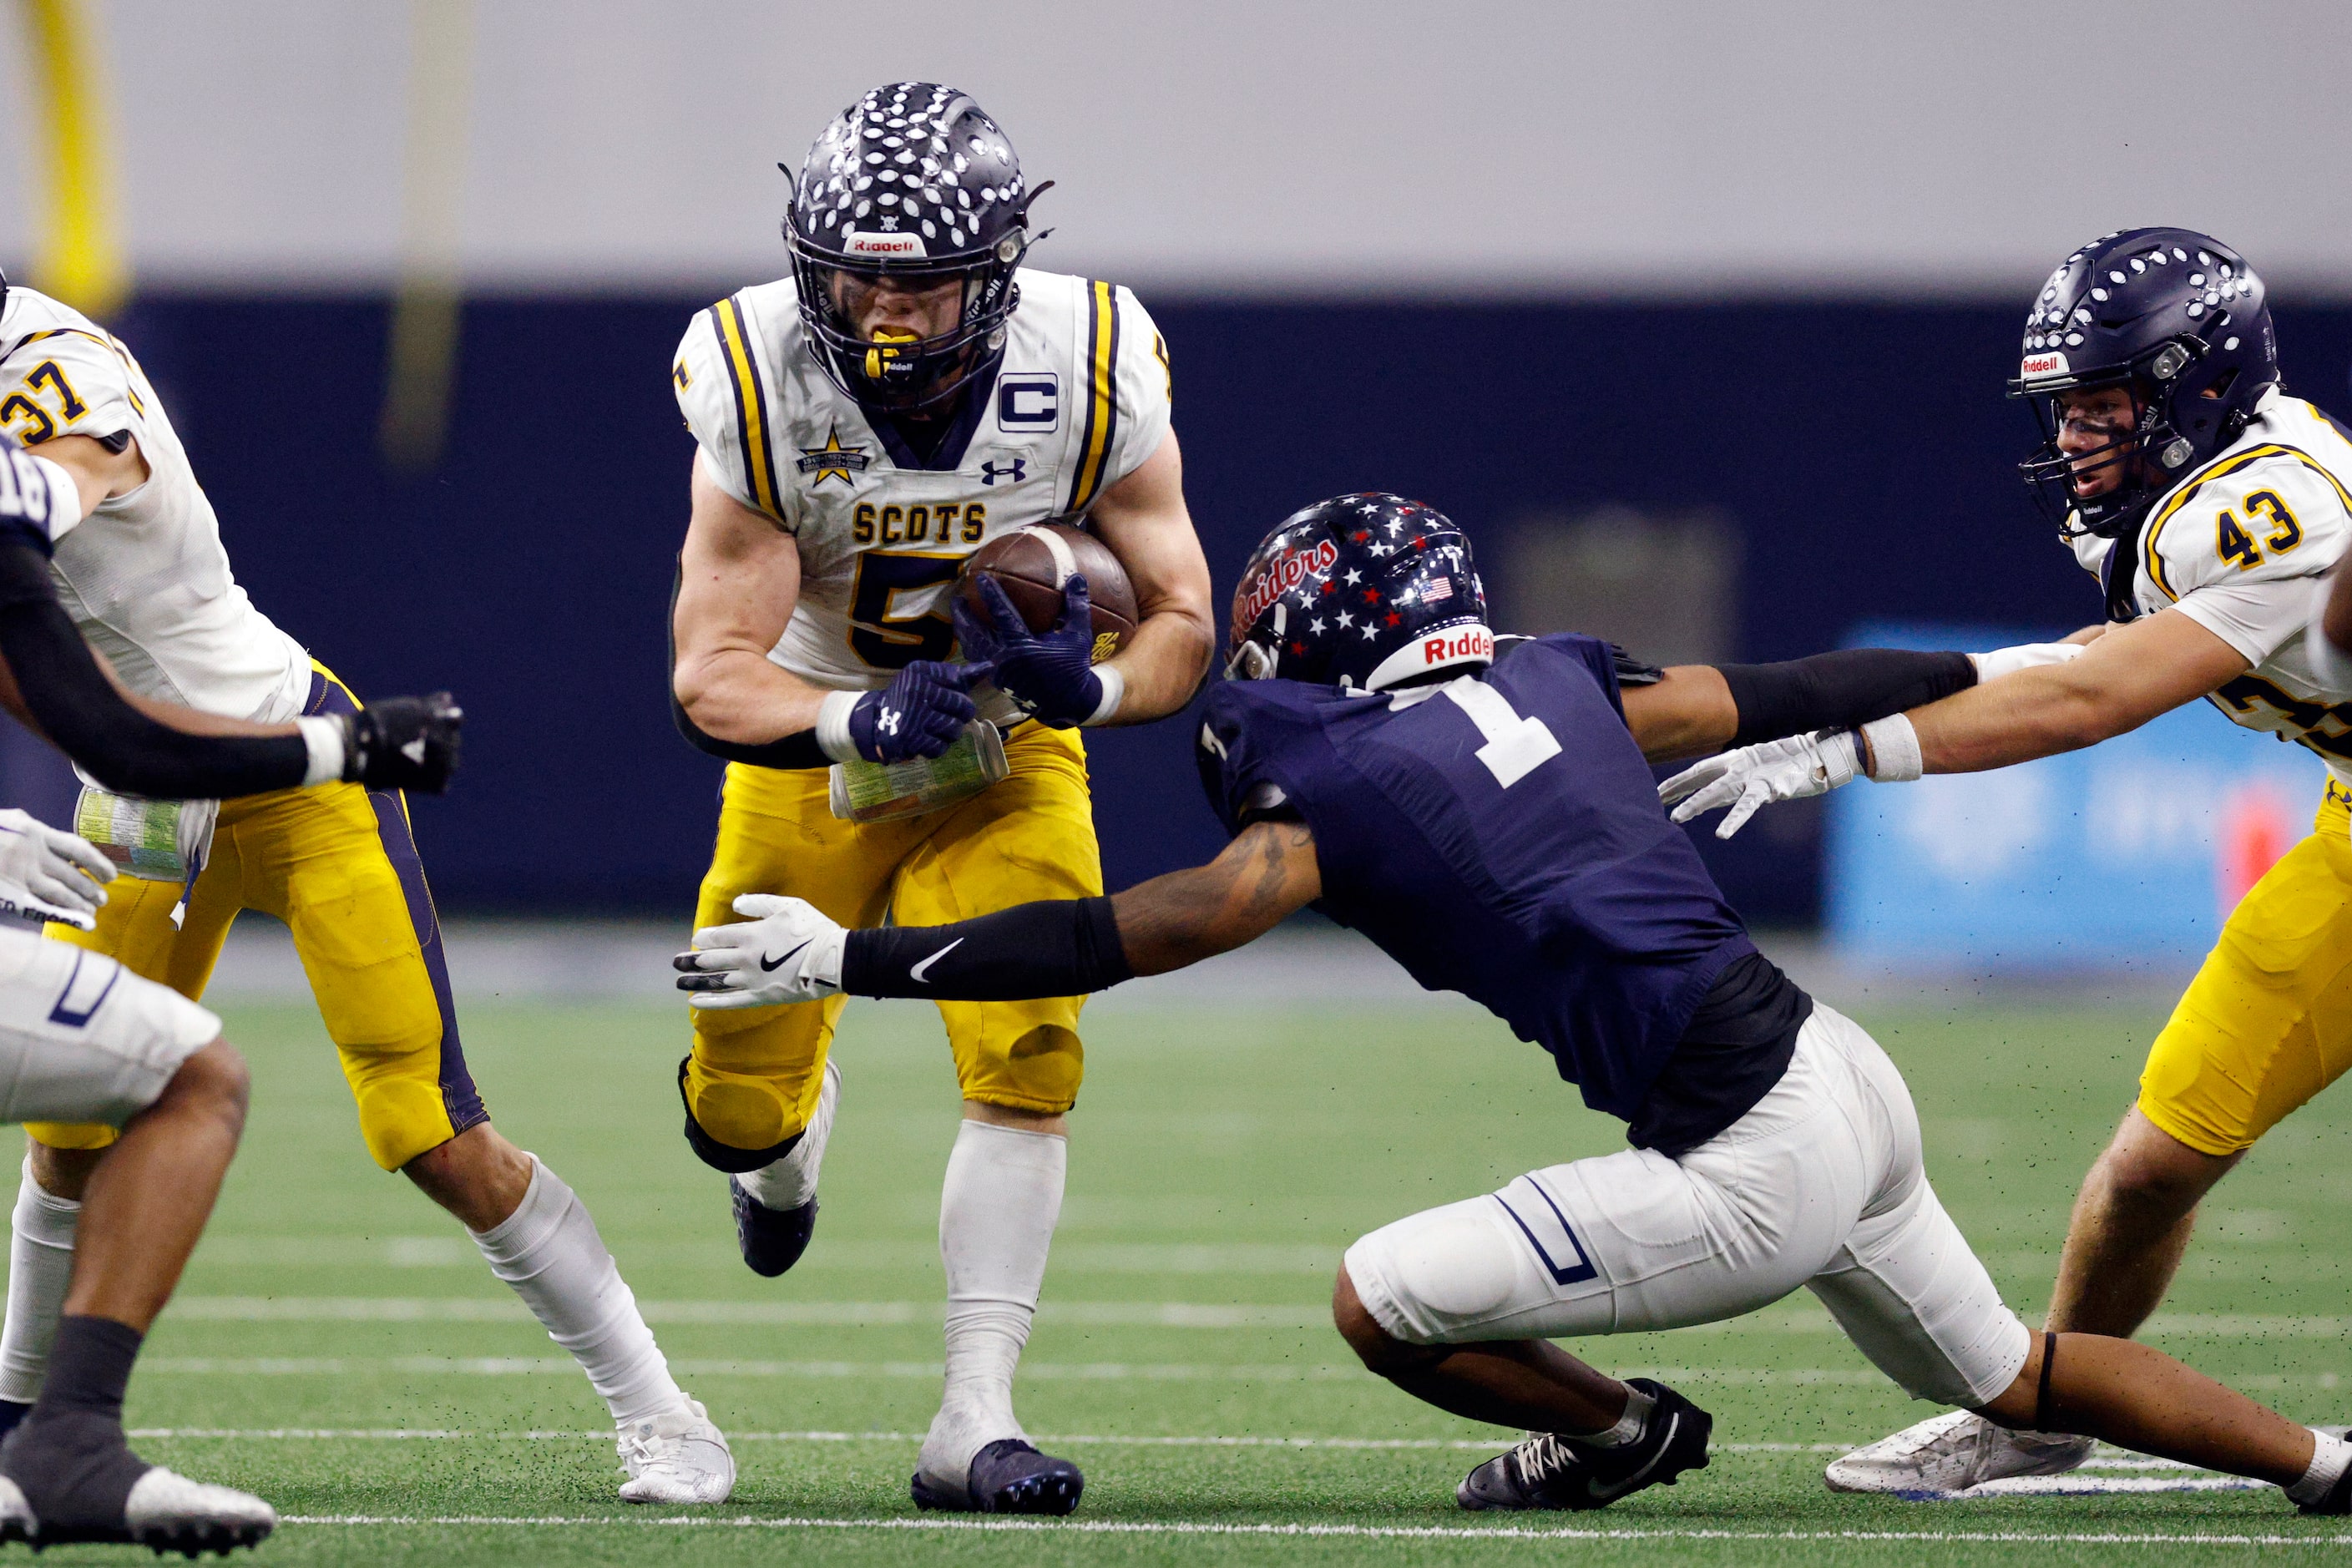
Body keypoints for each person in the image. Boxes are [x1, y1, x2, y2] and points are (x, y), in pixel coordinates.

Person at [671, 493, 2352, 1517]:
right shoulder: (1561, 679)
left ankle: (1614, 1434)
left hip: (1742, 1161)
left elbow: (1146, 929)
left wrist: (845, 962)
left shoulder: (1334, 775)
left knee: (1376, 1300)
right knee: (2015, 1375)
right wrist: (1985, 675)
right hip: (1845, 1078)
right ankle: (2321, 1464)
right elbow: (1785, 690)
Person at [0, 274, 733, 1505]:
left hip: (288, 765)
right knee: (69, 1125)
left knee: (430, 1129)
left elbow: (66, 491)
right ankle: (20, 1429)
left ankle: (664, 1409)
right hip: (139, 801)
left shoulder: (54, 376)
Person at [1661, 227, 2352, 1496]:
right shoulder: (2202, 488)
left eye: (2101, 402)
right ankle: (2050, 1404)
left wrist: (1849, 751)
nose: (2077, 434)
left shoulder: (2268, 506)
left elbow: (2097, 698)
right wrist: (1838, 723)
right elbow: (2081, 659)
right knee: (2153, 1165)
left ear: (2195, 382)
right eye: (2066, 405)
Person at [666, 82, 1213, 1514]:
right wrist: (852, 712)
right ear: (810, 263)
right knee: (738, 1105)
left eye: (921, 284)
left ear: (996, 271)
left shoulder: (1091, 358)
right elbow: (711, 675)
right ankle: (776, 1171)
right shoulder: (752, 366)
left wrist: (1084, 692)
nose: (886, 316)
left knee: (1028, 1051)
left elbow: (1179, 619)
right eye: (858, 278)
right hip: (817, 737)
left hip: (1004, 748)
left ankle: (973, 1417)